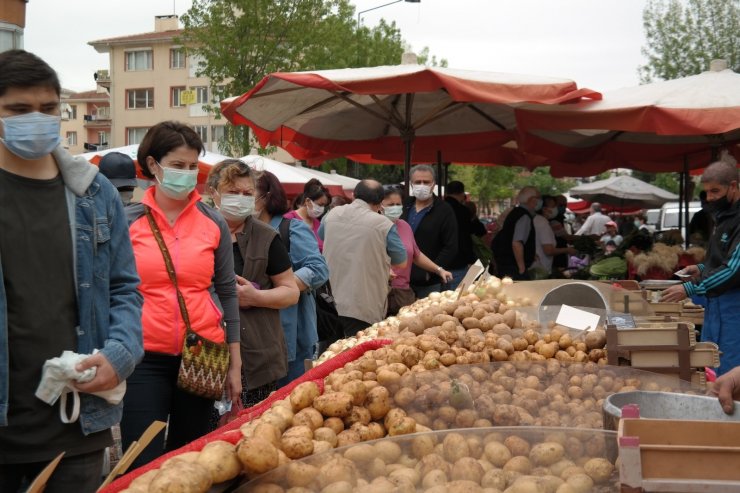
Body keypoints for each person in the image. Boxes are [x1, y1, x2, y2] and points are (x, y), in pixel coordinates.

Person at [0, 50, 143, 493]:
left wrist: (120, 355)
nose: (36, 119)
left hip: (79, 422)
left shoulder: (93, 191)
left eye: (47, 108)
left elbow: (125, 289)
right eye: (18, 110)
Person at [121, 122, 241, 467]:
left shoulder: (212, 221)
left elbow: (227, 291)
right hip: (143, 357)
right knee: (140, 461)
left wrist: (235, 360)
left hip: (203, 353)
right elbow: (114, 290)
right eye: (177, 165)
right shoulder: (128, 220)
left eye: (193, 167)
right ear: (153, 165)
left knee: (190, 459)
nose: (187, 174)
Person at [207, 160, 299, 408]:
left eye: (247, 193)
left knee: (250, 429)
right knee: (206, 432)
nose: (240, 198)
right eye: (232, 192)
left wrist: (255, 297)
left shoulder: (266, 236)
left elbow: (291, 292)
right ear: (213, 193)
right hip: (205, 350)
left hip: (256, 353)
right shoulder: (198, 230)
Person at [661, 160, 740, 375]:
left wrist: (689, 288)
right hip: (716, 311)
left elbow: (733, 269)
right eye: (707, 192)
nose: (711, 197)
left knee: (731, 376)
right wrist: (701, 267)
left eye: (716, 191)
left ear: (733, 186)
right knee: (711, 369)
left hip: (735, 313)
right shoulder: (724, 217)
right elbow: (721, 258)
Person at [255, 171, 329, 384]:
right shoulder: (242, 231)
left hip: (291, 337)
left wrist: (281, 286)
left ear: (267, 196)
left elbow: (318, 269)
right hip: (255, 338)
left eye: (249, 193)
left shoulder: (290, 228)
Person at [321, 180, 407, 335]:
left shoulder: (332, 214)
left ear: (354, 195)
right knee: (356, 354)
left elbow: (323, 236)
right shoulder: (383, 224)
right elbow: (401, 261)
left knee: (327, 355)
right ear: (380, 202)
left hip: (329, 302)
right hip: (363, 305)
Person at [382, 186, 452, 315]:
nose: (395, 207)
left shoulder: (404, 226)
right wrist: (384, 270)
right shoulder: (374, 228)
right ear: (379, 206)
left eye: (398, 204)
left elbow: (416, 254)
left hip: (403, 292)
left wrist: (439, 270)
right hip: (380, 293)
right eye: (391, 204)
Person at [400, 165, 457, 298]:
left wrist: (430, 272)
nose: (422, 185)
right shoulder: (404, 205)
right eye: (417, 182)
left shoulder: (444, 210)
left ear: (433, 184)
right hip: (400, 279)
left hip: (429, 282)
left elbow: (451, 247)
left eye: (426, 182)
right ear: (411, 184)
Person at [491, 186, 541, 280]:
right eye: (538, 198)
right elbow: (516, 243)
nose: (539, 201)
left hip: (506, 263)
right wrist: (521, 268)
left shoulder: (514, 212)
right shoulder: (524, 216)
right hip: (513, 267)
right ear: (532, 199)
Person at [444, 180, 486, 289]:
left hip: (438, 263)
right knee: (456, 296)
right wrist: (471, 260)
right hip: (458, 262)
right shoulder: (462, 211)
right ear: (462, 194)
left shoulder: (437, 208)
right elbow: (466, 237)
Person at [530, 195, 576, 278]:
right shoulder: (542, 223)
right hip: (541, 269)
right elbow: (548, 250)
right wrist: (568, 249)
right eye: (554, 206)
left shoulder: (536, 220)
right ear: (544, 208)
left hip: (536, 268)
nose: (556, 209)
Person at [285, 178, 331, 251]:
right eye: (320, 205)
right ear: (308, 201)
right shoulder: (288, 219)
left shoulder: (318, 223)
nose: (321, 209)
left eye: (324, 206)